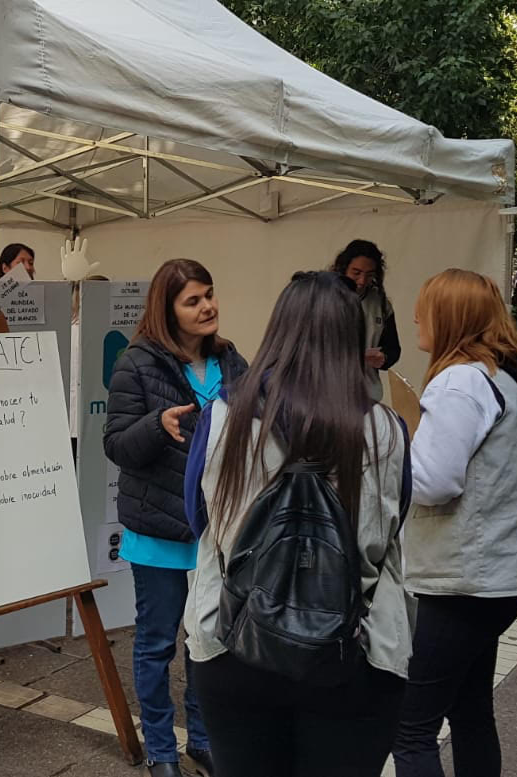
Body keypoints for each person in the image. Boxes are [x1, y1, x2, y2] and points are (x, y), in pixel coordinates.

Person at [183, 271, 413, 777]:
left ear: (278, 331)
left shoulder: (222, 418)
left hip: (234, 638)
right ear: (352, 340)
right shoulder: (385, 429)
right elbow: (394, 524)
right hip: (355, 645)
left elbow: (197, 517)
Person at [391, 268, 517, 777]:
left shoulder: (459, 381)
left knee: (410, 730)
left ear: (449, 317)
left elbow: (434, 482)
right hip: (497, 575)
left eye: (425, 308)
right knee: (470, 711)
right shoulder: (499, 376)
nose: (415, 317)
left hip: (464, 580)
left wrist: (396, 450)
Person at [104, 258, 247, 777]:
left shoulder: (231, 360)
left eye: (209, 294)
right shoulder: (136, 363)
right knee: (157, 643)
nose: (207, 306)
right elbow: (115, 444)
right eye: (193, 300)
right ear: (167, 310)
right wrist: (155, 425)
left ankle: (202, 739)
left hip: (217, 531)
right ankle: (161, 749)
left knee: (208, 639)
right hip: (159, 530)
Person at [331, 240, 401, 395]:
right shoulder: (326, 299)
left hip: (367, 392)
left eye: (369, 275)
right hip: (330, 390)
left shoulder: (381, 304)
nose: (362, 281)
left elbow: (393, 349)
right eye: (356, 273)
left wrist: (384, 358)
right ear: (343, 269)